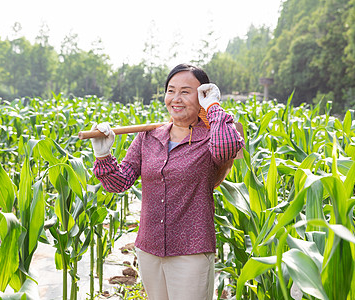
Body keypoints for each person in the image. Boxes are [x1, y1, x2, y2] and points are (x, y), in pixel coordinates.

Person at [91, 64, 244, 300]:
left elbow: (227, 149)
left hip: (191, 251)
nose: (176, 98)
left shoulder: (212, 137)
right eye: (171, 91)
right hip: (149, 248)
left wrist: (213, 107)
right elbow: (119, 183)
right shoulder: (149, 136)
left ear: (202, 95)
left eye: (185, 91)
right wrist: (103, 156)